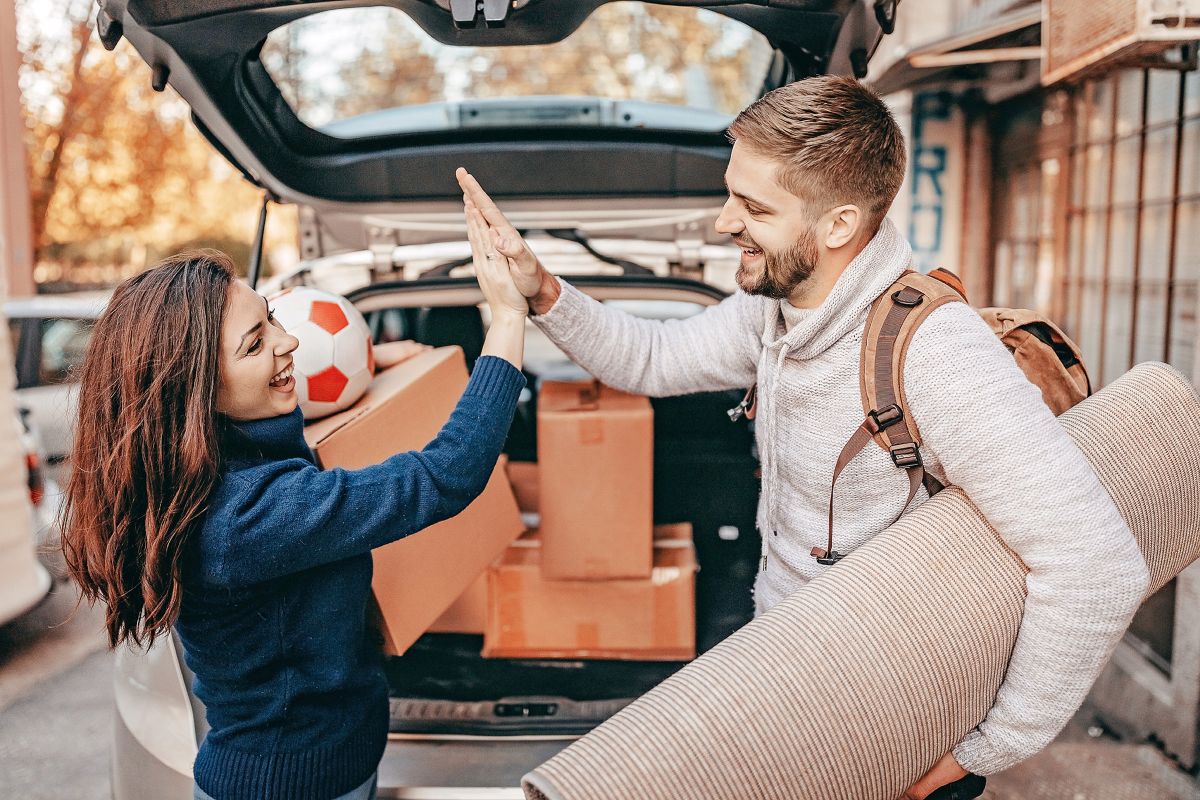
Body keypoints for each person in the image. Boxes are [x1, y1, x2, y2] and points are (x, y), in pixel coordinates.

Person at [454, 74, 1149, 800]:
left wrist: (987, 748)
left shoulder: (935, 352)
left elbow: (1096, 568)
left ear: (839, 225)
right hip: (789, 673)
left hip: (893, 720)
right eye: (731, 194)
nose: (723, 222)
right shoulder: (775, 311)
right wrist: (541, 290)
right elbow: (653, 358)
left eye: (753, 207)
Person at [60, 214, 526, 800]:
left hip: (325, 769)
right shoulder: (245, 518)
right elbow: (444, 476)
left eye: (272, 318)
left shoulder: (219, 460)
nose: (290, 342)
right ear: (196, 391)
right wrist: (507, 321)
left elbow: (282, 422)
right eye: (257, 343)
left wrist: (371, 358)